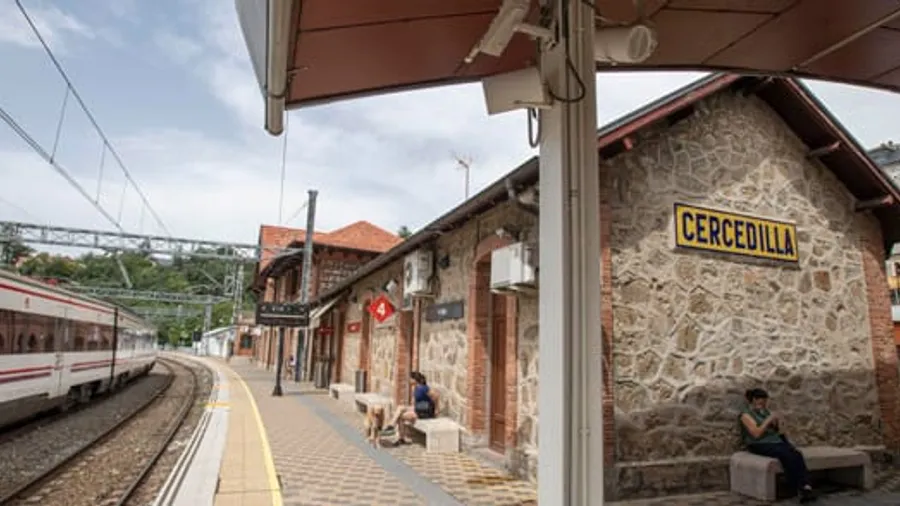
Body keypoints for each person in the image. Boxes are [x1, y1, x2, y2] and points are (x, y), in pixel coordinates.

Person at [740, 388, 816, 503]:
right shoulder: (746, 415)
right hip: (759, 444)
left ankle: (806, 486)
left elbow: (778, 432)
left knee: (797, 454)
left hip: (775, 441)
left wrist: (777, 423)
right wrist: (768, 420)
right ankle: (797, 487)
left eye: (765, 402)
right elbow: (756, 433)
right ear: (754, 400)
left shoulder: (766, 412)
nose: (763, 405)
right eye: (760, 402)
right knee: (785, 455)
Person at [381, 371, 438, 444]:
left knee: (401, 417)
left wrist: (436, 409)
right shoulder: (416, 388)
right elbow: (415, 402)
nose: (409, 381)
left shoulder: (423, 388)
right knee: (400, 408)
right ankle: (391, 425)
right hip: (419, 408)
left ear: (414, 380)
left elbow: (436, 396)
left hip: (425, 412)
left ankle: (401, 438)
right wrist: (410, 407)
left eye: (410, 379)